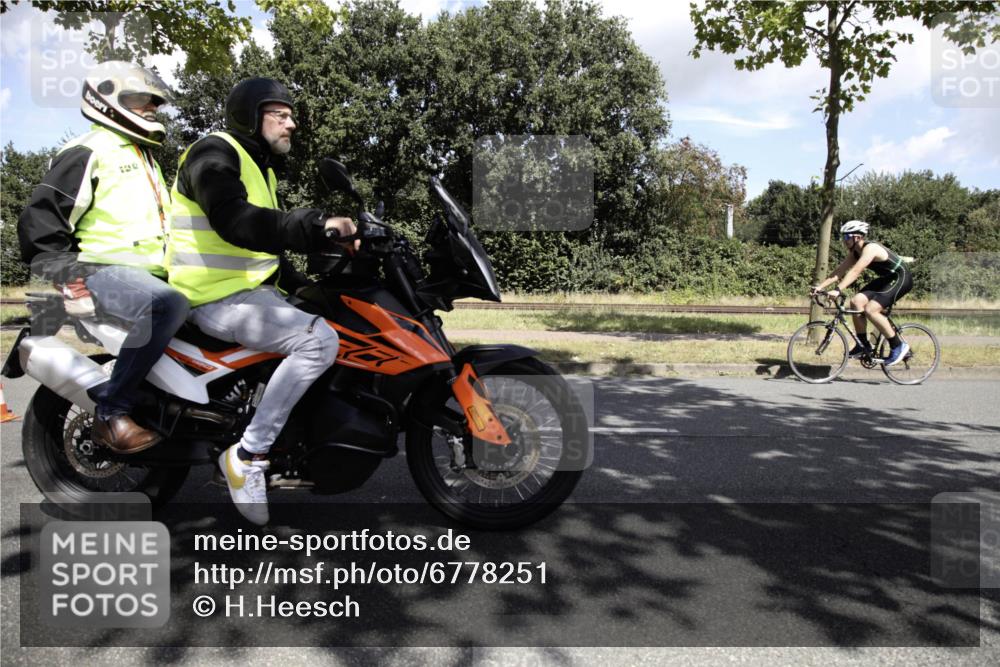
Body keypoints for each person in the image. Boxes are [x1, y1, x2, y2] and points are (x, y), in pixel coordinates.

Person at [166, 77, 355, 525]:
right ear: (250, 115)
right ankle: (248, 455)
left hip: (248, 292)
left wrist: (308, 286)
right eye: (280, 114)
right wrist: (317, 224)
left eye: (291, 115)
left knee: (331, 316)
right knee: (318, 342)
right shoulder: (212, 154)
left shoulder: (261, 168)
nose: (292, 123)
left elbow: (263, 248)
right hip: (213, 296)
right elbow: (237, 221)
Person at [18, 61, 189, 453]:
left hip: (148, 272)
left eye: (153, 103)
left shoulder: (144, 158)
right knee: (168, 305)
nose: (150, 108)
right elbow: (42, 219)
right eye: (140, 100)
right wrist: (68, 277)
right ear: (107, 99)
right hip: (101, 269)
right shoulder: (88, 151)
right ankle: (111, 414)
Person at [812, 220, 914, 366]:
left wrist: (837, 289)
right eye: (843, 237)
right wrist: (819, 287)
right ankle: (863, 345)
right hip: (886, 279)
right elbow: (839, 272)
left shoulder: (870, 248)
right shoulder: (854, 252)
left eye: (847, 237)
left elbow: (855, 272)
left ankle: (898, 345)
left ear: (857, 237)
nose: (844, 240)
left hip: (901, 278)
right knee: (856, 302)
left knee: (871, 310)